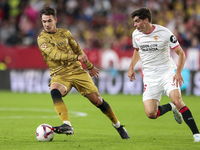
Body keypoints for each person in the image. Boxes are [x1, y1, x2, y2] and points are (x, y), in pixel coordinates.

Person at [37, 6, 129, 139]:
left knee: (97, 101)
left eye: (49, 21)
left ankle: (118, 126)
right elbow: (55, 55)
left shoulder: (66, 33)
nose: (46, 24)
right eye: (44, 21)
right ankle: (67, 124)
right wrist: (76, 58)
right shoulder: (42, 39)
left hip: (77, 71)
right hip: (60, 74)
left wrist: (90, 66)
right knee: (54, 90)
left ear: (55, 20)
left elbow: (78, 50)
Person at [127, 7, 200, 142]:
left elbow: (181, 53)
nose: (135, 25)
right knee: (151, 114)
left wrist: (178, 72)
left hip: (167, 72)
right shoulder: (135, 35)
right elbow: (137, 50)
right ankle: (171, 107)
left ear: (146, 20)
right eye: (134, 22)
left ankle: (197, 134)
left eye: (137, 21)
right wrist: (131, 67)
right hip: (149, 76)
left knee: (178, 100)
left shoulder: (164, 33)